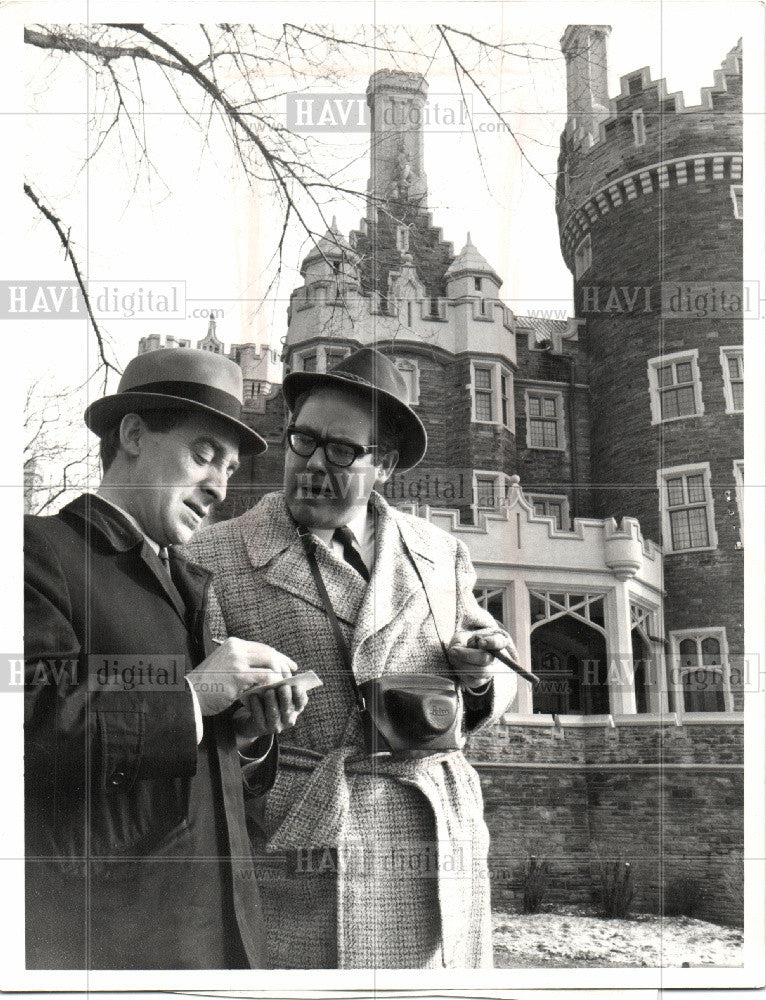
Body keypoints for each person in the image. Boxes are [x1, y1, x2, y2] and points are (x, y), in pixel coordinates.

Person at [186, 347, 519, 969]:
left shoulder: (439, 551)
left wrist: (480, 680)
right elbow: (197, 728)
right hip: (303, 854)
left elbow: (497, 661)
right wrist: (253, 734)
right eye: (302, 440)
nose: (313, 463)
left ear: (384, 465)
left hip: (438, 843)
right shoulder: (213, 558)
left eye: (341, 451)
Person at [24, 347, 306, 970]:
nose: (219, 486)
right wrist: (196, 697)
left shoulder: (193, 586)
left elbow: (200, 786)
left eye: (229, 468)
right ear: (131, 435)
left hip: (224, 944)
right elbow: (34, 729)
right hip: (105, 944)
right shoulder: (35, 552)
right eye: (204, 455)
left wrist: (247, 736)